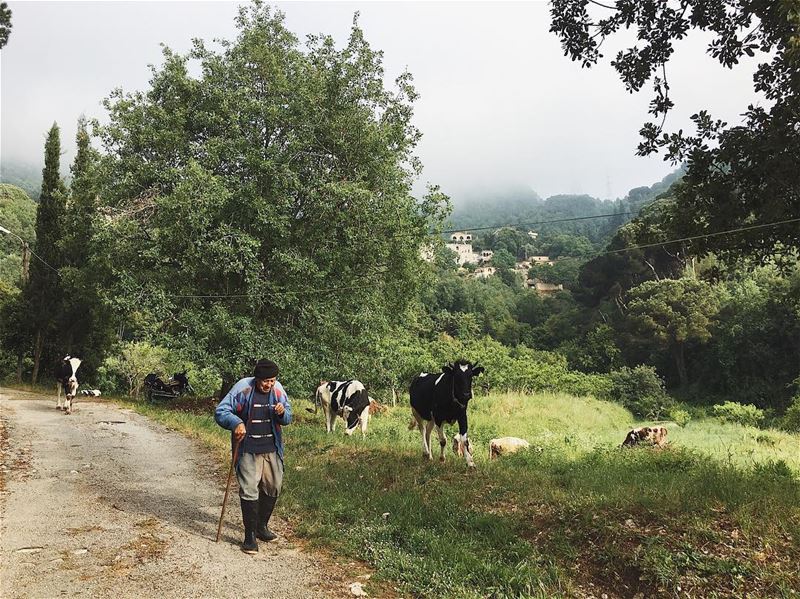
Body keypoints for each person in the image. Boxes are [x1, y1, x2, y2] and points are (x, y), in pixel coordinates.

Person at [214, 358, 292, 553]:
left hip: (271, 447)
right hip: (248, 448)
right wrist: (235, 423)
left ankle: (261, 527)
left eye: (273, 380)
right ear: (257, 378)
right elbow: (221, 411)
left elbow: (288, 417)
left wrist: (282, 413)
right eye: (266, 381)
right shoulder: (243, 388)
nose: (269, 384)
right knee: (249, 489)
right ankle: (249, 537)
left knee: (274, 486)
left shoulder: (278, 390)